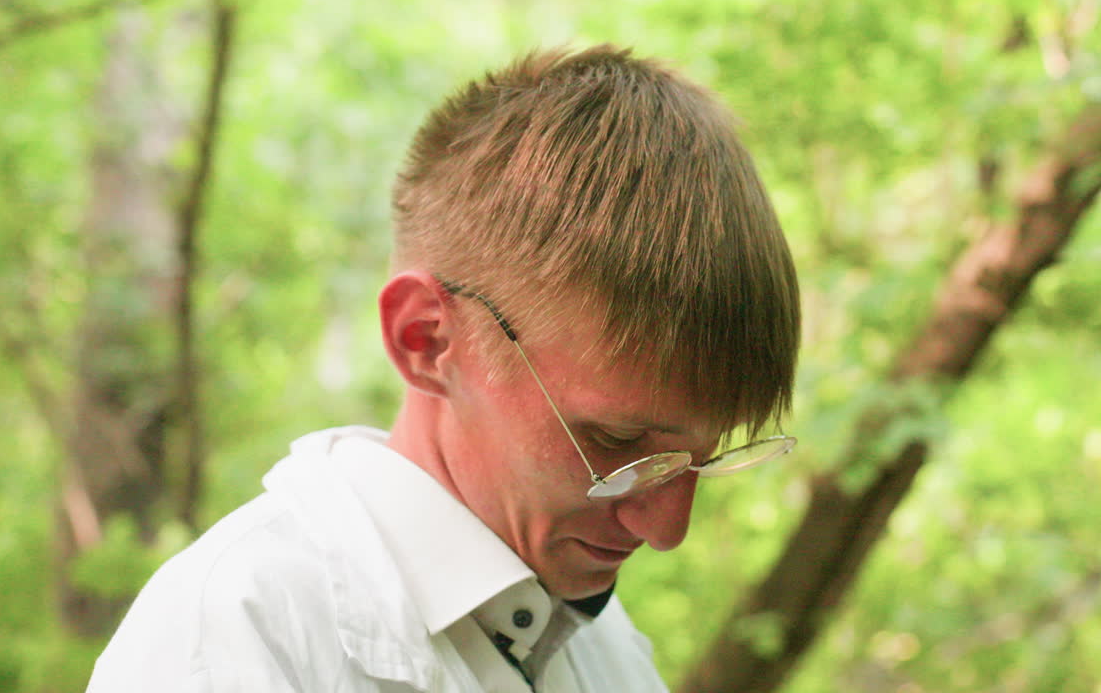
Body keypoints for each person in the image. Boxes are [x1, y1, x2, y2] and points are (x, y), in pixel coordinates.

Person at [87, 44, 801, 692]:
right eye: (615, 441)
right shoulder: (233, 642)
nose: (667, 529)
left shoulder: (607, 653)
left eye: (700, 461)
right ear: (426, 339)